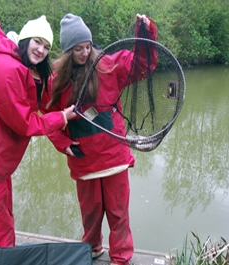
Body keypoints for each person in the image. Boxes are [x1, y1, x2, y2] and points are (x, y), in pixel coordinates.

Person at [41, 13, 157, 265]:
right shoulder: (57, 81)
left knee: (118, 214)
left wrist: (145, 33)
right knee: (90, 213)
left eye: (87, 47)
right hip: (84, 162)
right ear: (68, 50)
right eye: (77, 49)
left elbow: (141, 65)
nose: (84, 53)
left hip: (114, 157)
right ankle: (92, 249)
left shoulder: (109, 66)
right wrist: (64, 146)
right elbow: (49, 119)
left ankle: (121, 258)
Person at [0, 15, 76, 248]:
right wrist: (61, 117)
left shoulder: (19, 66)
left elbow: (33, 101)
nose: (41, 50)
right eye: (37, 42)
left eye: (46, 46)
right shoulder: (6, 68)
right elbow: (24, 122)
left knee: (3, 223)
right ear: (25, 39)